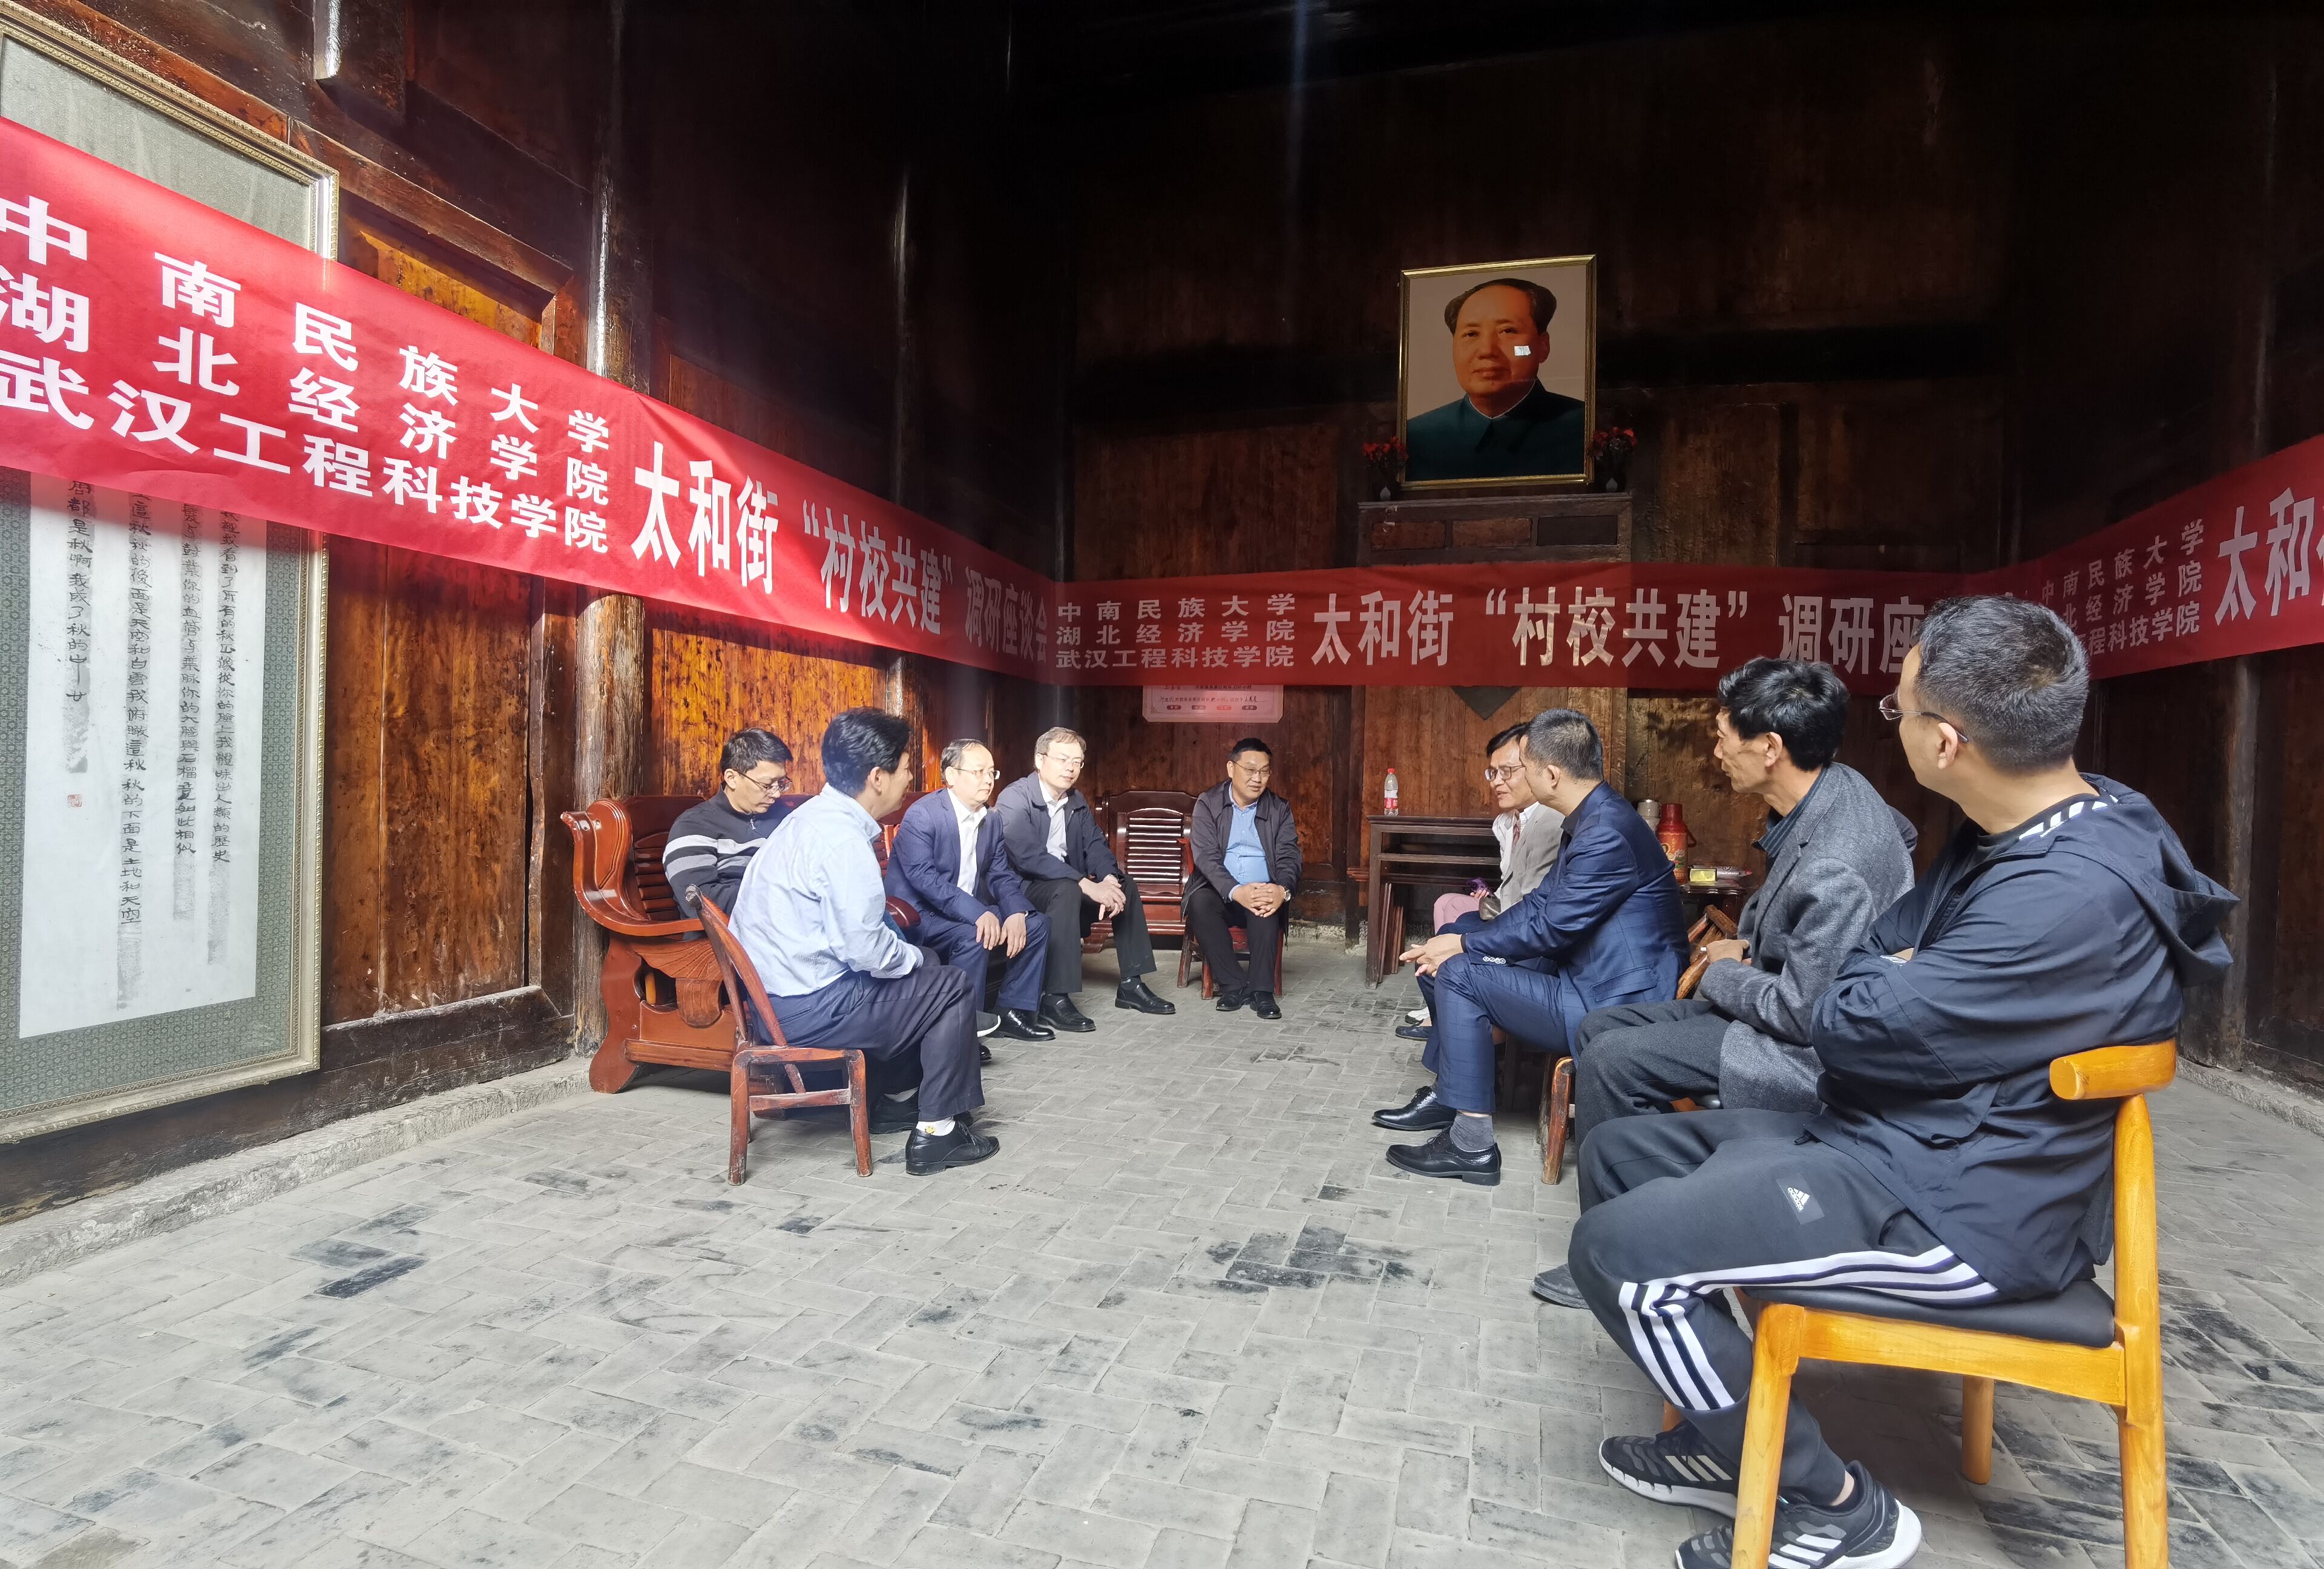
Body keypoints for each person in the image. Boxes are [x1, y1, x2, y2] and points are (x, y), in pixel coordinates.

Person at [1567, 596, 2233, 1569]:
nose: (1895, 729)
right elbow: (1877, 965)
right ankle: (1728, 1434)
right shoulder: (2018, 828)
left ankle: (1837, 1506)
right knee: (1623, 1153)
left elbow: (1845, 1020)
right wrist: (1896, 978)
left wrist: (1891, 983)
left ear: (1947, 742)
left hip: (1962, 1208)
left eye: (1901, 712)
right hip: (1896, 1141)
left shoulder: (2066, 893)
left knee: (1614, 1255)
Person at [1541, 660, 1915, 1293]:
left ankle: (1626, 1260)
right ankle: (1655, 1202)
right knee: (1599, 1027)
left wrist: (1722, 969)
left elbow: (1803, 1016)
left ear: (1770, 748)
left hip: (1801, 1050)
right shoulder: (1833, 788)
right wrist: (1754, 946)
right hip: (1769, 995)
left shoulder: (1837, 863)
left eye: (1722, 738)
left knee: (1612, 1061)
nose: (1715, 753)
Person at [1373, 709, 1684, 1183]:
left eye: (1525, 767)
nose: (1514, 777)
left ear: (1551, 774)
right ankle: (1460, 1102)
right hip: (1589, 980)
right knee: (1457, 959)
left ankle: (1471, 1146)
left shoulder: (1605, 831)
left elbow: (1551, 928)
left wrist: (1464, 945)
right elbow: (1540, 904)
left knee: (1460, 973)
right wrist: (1464, 941)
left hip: (1613, 1004)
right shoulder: (1594, 817)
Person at [730, 708, 998, 1176]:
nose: (910, 778)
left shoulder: (810, 818)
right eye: (906, 768)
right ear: (877, 777)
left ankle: (890, 1101)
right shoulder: (842, 841)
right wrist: (914, 958)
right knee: (951, 985)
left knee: (926, 965)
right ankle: (938, 1134)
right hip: (809, 1010)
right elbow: (865, 951)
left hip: (775, 1000)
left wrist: (915, 958)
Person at [994, 726, 1177, 1031]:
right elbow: (1028, 857)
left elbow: (1096, 846)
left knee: (1126, 886)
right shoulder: (1014, 797)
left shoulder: (1075, 800)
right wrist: (1086, 884)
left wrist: (1109, 880)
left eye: (1077, 762)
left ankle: (1132, 985)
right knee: (1067, 889)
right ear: (1040, 760)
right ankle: (1055, 998)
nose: (1071, 768)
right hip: (1025, 890)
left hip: (1066, 887)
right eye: (1063, 759)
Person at [1396, 720, 1564, 1042]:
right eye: (1493, 773)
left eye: (1507, 772)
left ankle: (1467, 1036)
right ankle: (1454, 1030)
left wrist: (1469, 941)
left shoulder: (1549, 823)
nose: (1497, 782)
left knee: (1444, 949)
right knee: (1447, 931)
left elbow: (1534, 910)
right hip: (1514, 920)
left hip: (1530, 938)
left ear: (1538, 769)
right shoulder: (1511, 821)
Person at [885, 739, 1055, 1044]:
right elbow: (925, 879)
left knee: (1036, 924)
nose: (988, 780)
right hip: (921, 914)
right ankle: (964, 1033)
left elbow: (1000, 874)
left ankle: (1012, 1012)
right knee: (976, 935)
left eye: (992, 772)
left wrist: (1016, 911)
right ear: (951, 776)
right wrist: (978, 914)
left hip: (965, 910)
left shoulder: (991, 819)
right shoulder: (924, 815)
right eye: (978, 772)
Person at [1403, 276, 1586, 482]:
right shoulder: (1415, 439)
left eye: (1508, 331)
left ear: (1543, 346)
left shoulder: (1585, 430)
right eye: (1471, 334)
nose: (1487, 351)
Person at [1185, 738, 1302, 1019]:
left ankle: (1262, 991)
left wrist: (1282, 890)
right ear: (1231, 768)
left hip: (1261, 887)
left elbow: (1290, 856)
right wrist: (1236, 890)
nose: (1257, 778)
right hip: (1219, 891)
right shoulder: (1208, 803)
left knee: (1265, 902)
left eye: (1264, 771)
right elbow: (1206, 858)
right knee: (1200, 903)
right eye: (1250, 770)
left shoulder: (1279, 809)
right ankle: (1234, 986)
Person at [662, 728, 794, 916]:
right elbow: (700, 902)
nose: (777, 794)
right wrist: (786, 897)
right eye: (767, 785)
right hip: (725, 932)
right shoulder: (693, 826)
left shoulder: (784, 817)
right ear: (731, 778)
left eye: (781, 783)